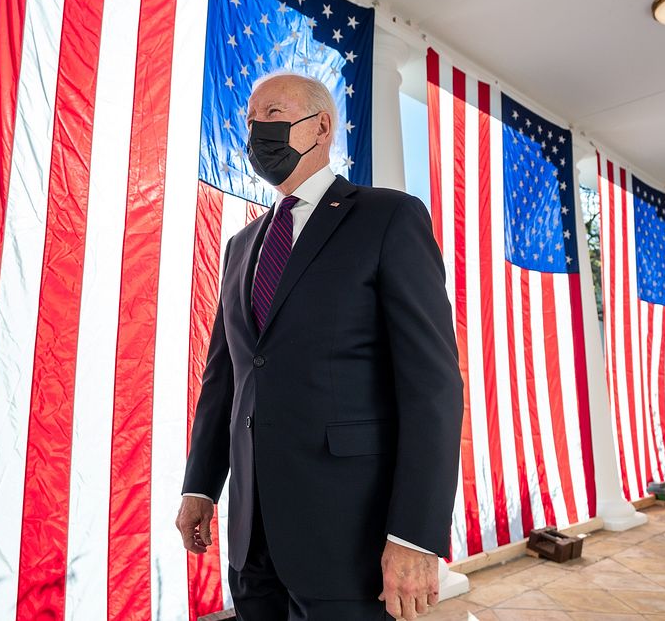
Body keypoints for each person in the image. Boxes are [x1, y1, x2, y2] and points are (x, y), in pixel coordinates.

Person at [176, 72, 464, 621]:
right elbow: (227, 381)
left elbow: (433, 386)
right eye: (251, 120)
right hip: (251, 538)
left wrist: (415, 535)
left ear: (322, 127)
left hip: (348, 537)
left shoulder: (388, 217)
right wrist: (201, 486)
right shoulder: (241, 246)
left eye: (274, 115)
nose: (257, 130)